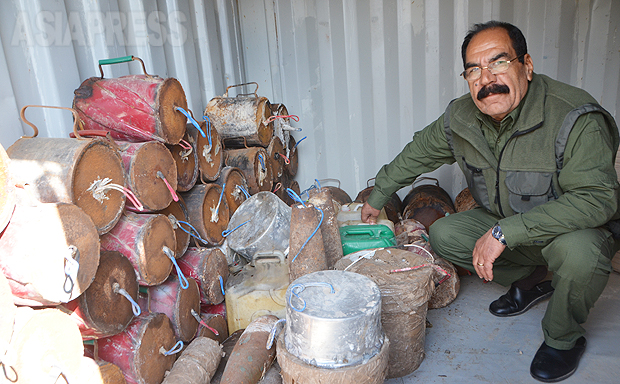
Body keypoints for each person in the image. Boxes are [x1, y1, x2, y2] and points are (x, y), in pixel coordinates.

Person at [361, 20, 619, 382]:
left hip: (571, 232)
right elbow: (418, 153)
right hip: (512, 227)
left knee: (580, 255)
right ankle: (532, 280)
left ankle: (563, 338)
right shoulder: (462, 117)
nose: (486, 78)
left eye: (499, 62)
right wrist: (379, 195)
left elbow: (596, 200)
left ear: (526, 65)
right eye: (473, 70)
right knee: (445, 233)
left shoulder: (574, 117)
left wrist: (504, 232)